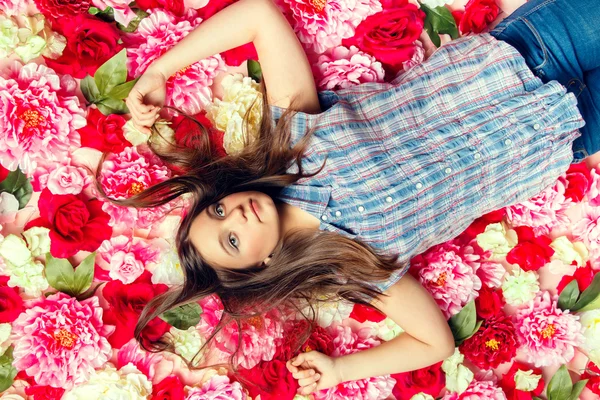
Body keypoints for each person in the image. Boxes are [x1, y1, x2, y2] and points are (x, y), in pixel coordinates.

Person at [117, 0, 598, 395]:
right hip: (562, 132)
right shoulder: (350, 265)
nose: (235, 215)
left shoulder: (292, 142)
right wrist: (341, 370)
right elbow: (434, 344)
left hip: (527, 50)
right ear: (261, 267)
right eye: (233, 241)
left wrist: (162, 67)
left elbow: (260, 15)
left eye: (218, 210)